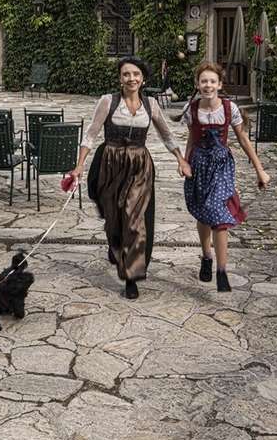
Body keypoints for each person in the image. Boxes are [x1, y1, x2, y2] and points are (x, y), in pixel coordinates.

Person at [66, 57, 190, 299]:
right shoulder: (108, 102)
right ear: (120, 78)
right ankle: (114, 246)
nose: (131, 78)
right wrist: (79, 165)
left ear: (143, 79)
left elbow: (166, 134)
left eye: (135, 74)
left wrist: (180, 159)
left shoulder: (151, 104)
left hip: (139, 166)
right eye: (126, 74)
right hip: (110, 163)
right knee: (114, 218)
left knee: (134, 219)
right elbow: (90, 134)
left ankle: (131, 276)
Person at [182, 61, 270, 292]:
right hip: (199, 164)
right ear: (197, 84)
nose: (208, 85)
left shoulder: (230, 108)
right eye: (204, 81)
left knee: (219, 214)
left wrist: (259, 169)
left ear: (219, 84)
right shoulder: (192, 109)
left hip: (221, 166)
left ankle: (222, 271)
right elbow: (191, 139)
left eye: (212, 81)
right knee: (203, 213)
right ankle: (206, 256)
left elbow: (243, 140)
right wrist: (184, 161)